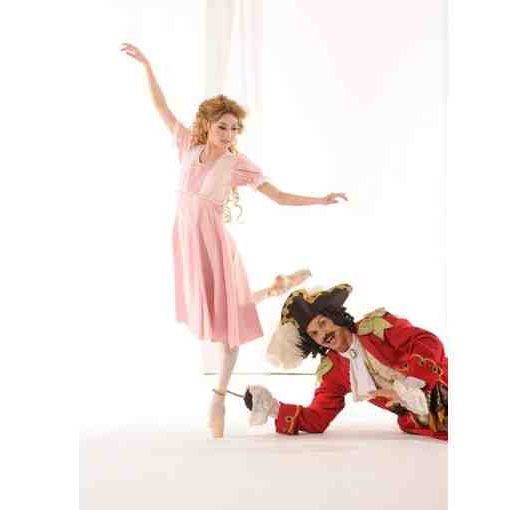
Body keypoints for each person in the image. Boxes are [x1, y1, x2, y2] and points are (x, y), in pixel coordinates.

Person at [120, 43, 348, 438]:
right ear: (207, 125)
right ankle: (278, 287)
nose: (228, 134)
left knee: (229, 324)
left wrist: (320, 199)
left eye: (234, 128)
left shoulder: (236, 163)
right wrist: (147, 66)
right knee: (215, 312)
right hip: (187, 241)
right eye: (222, 126)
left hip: (214, 244)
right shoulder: (188, 146)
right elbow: (161, 107)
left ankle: (219, 397)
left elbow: (279, 196)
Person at [246, 284, 449, 440]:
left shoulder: (376, 327)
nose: (322, 334)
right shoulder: (333, 370)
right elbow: (317, 418)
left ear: (335, 317)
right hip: (429, 424)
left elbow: (427, 342)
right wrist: (274, 408)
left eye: (323, 323)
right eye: (314, 333)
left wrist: (409, 386)